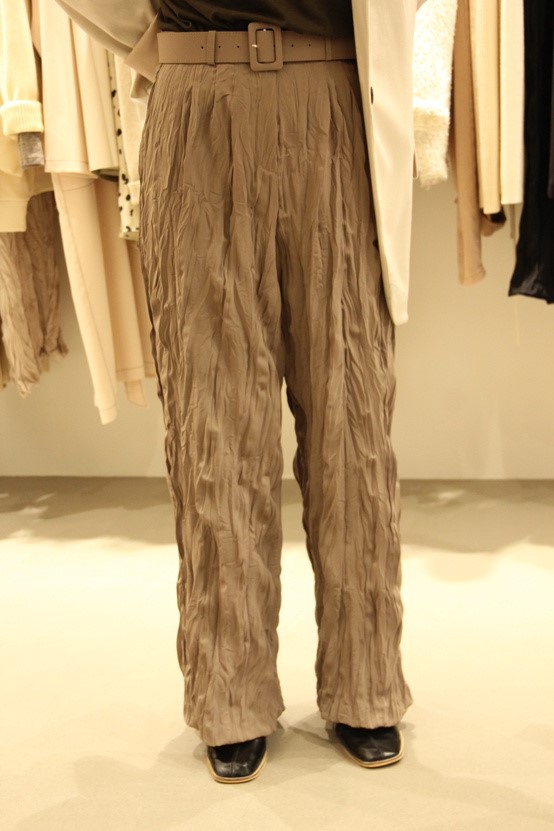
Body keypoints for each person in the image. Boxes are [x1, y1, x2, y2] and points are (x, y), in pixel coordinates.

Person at [54, 0, 425, 784]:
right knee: (214, 417)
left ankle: (365, 680)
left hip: (334, 93)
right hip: (199, 91)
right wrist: (161, 46)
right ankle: (231, 693)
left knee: (353, 411)